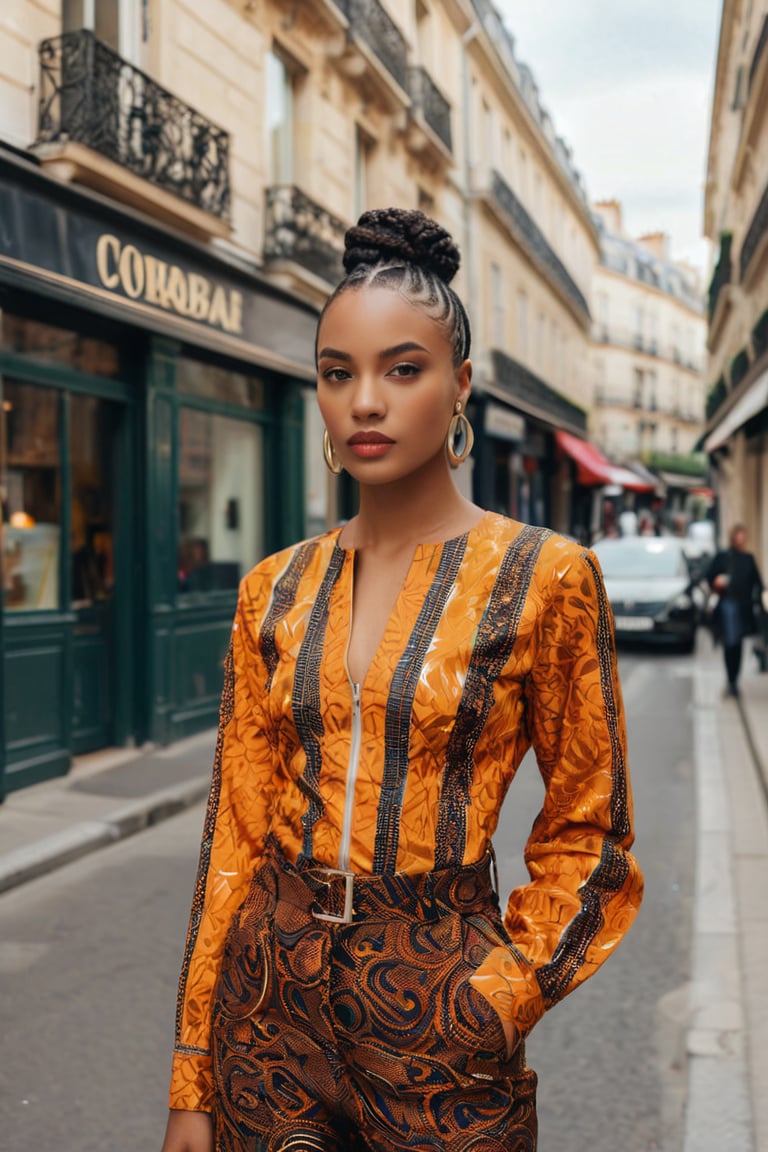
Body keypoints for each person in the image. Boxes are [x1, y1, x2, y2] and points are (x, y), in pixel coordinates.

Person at [160, 208, 643, 1152]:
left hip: (441, 1020)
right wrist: (193, 1072)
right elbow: (234, 837)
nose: (365, 401)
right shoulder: (273, 587)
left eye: (402, 369)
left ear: (459, 385)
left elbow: (594, 828)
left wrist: (500, 995)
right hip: (266, 1015)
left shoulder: (547, 577)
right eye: (338, 374)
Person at [707, 524, 764, 697]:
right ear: (733, 537)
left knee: (737, 645)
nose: (740, 540)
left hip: (743, 608)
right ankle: (731, 679)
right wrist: (716, 582)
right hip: (727, 607)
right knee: (729, 644)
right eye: (738, 536)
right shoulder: (723, 557)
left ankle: (734, 681)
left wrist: (758, 604)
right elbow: (709, 576)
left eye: (743, 536)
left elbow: (758, 584)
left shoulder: (748, 559)